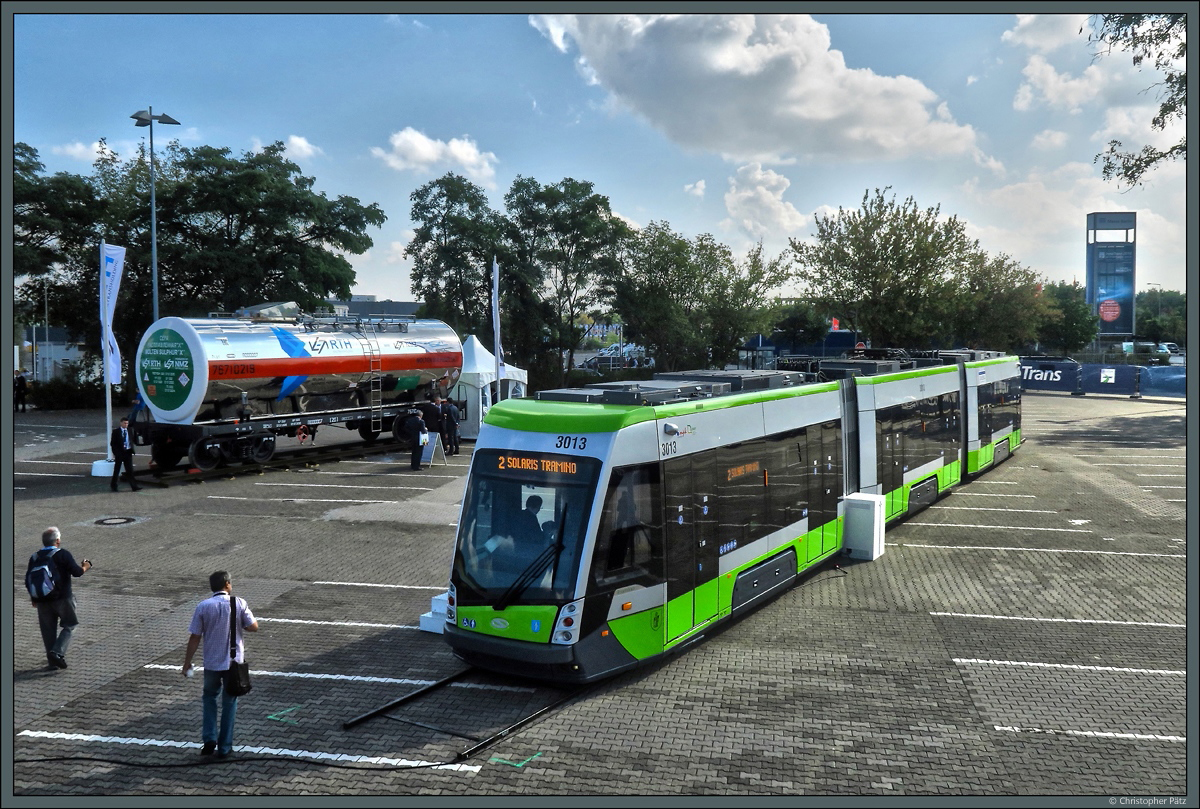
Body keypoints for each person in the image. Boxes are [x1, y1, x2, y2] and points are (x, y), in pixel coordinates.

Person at [182, 571, 258, 758]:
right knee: (229, 703)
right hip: (234, 665)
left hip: (212, 663)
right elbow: (253, 626)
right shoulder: (239, 603)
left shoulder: (203, 606)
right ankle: (224, 747)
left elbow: (195, 637)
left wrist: (187, 662)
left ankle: (209, 739)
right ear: (227, 584)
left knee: (209, 699)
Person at [26, 526, 91, 670]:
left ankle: (52, 663)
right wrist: (86, 566)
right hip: (62, 598)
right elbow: (77, 572)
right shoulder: (63, 554)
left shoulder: (35, 557)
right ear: (57, 541)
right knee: (70, 624)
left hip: (42, 600)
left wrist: (34, 598)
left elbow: (29, 578)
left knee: (48, 631)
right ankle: (57, 652)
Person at [109, 416, 142, 492]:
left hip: (128, 452)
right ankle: (113, 485)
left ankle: (134, 486)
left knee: (130, 470)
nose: (126, 425)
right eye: (124, 423)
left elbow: (133, 439)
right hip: (120, 453)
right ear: (121, 423)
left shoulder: (130, 430)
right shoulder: (116, 432)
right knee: (117, 470)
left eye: (127, 423)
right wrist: (116, 453)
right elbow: (113, 443)